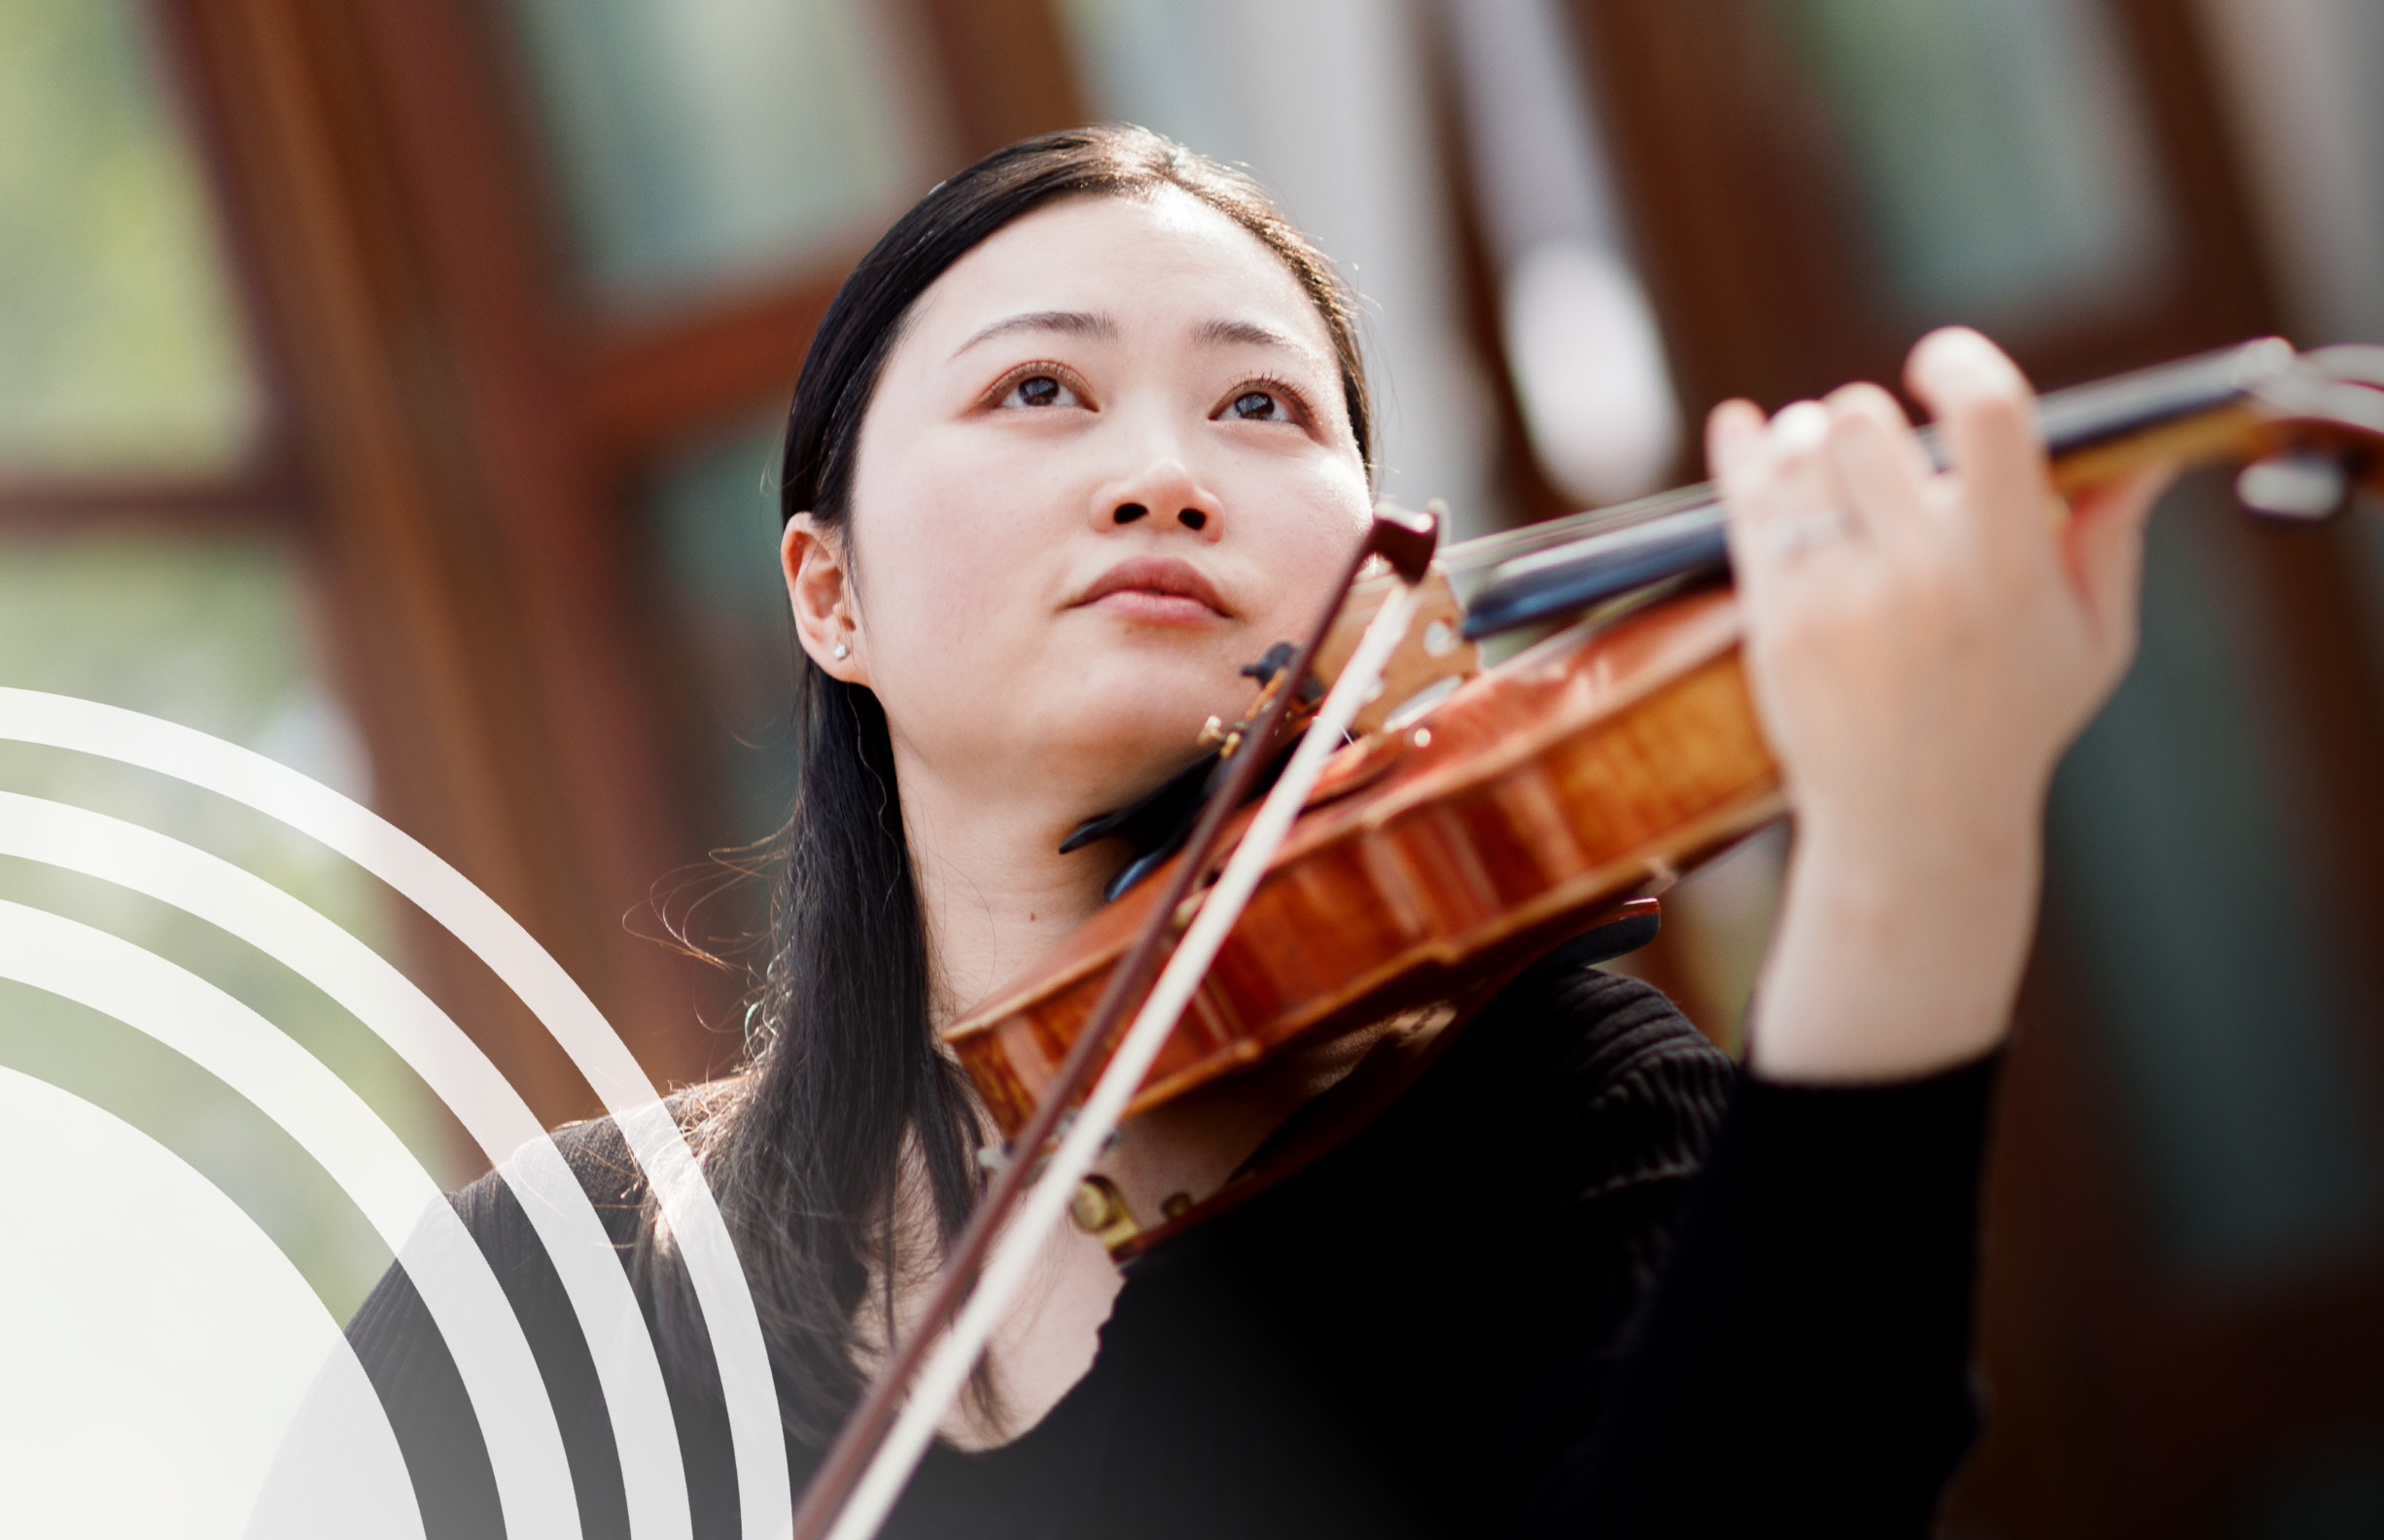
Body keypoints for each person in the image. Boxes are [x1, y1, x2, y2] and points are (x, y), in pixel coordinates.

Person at [327, 125, 2171, 1537]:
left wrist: (1918, 845)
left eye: (1263, 405)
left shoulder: (1554, 1120)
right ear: (832, 597)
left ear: (1374, 571)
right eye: (1038, 388)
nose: (1167, 473)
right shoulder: (561, 1289)